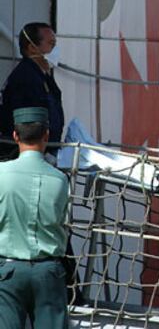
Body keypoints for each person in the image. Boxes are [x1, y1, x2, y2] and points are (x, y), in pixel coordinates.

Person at [0, 106, 69, 328]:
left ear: (15, 135)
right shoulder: (60, 179)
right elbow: (64, 223)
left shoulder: (2, 173)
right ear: (46, 135)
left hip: (8, 272)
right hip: (48, 272)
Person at [0, 22, 64, 158]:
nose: (55, 50)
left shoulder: (43, 75)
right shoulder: (25, 78)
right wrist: (40, 152)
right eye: (51, 44)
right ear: (32, 48)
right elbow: (26, 123)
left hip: (47, 149)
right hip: (28, 153)